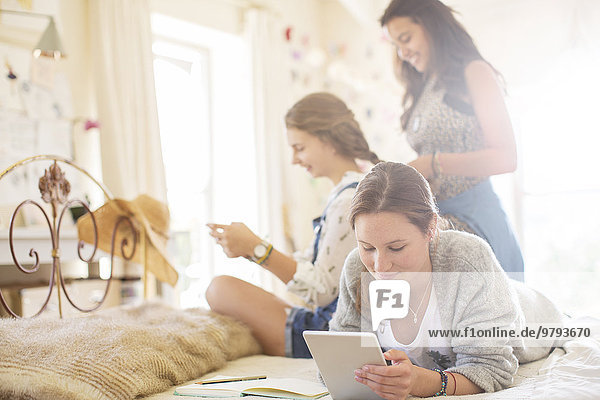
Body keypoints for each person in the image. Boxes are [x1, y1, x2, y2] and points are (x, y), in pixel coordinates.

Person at [330, 162, 562, 398]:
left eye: (396, 248)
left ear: (430, 228)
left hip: (533, 314)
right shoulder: (357, 268)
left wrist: (422, 381)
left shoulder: (468, 260)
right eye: (367, 247)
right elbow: (337, 359)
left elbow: (491, 369)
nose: (379, 266)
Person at [206, 92, 381, 358]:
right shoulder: (349, 192)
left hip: (330, 333)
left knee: (220, 289)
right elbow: (312, 268)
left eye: (299, 148)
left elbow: (321, 291)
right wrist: (251, 249)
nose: (294, 160)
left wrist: (257, 249)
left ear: (329, 141)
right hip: (333, 322)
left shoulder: (349, 201)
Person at [380, 0, 524, 277]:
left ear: (432, 27)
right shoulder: (425, 87)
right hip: (438, 223)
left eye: (406, 39)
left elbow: (506, 157)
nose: (403, 52)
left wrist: (433, 164)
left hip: (475, 221)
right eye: (397, 45)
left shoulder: (474, 72)